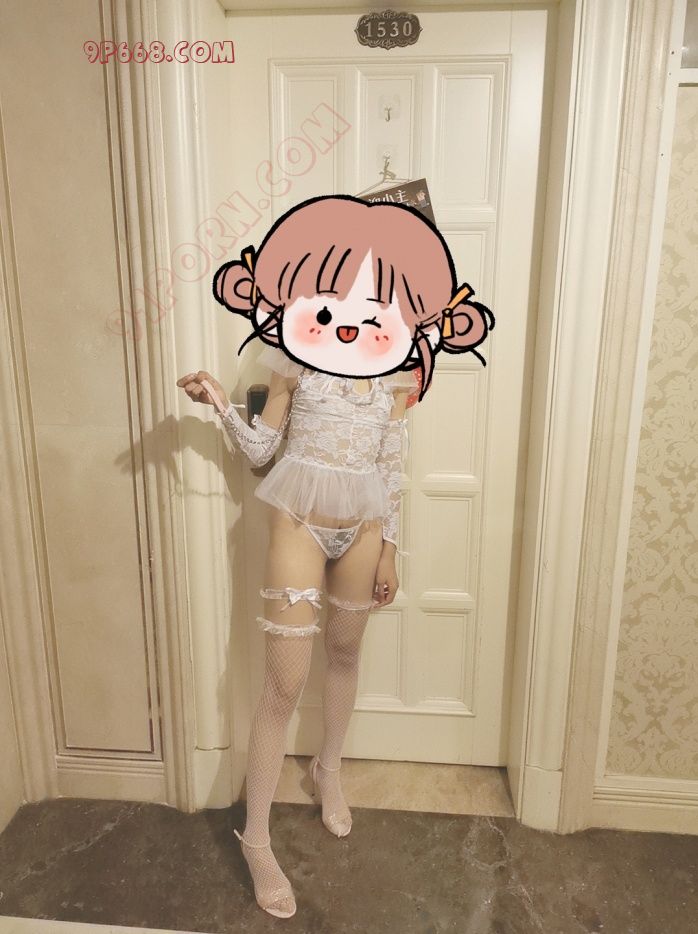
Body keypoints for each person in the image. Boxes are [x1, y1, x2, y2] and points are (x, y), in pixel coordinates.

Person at [177, 195, 494, 919]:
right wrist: (220, 404)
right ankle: (257, 838)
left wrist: (391, 551)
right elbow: (261, 450)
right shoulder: (295, 364)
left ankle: (329, 769)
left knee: (345, 654)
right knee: (283, 683)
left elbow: (390, 468)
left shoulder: (394, 376)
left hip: (365, 529)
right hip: (298, 523)